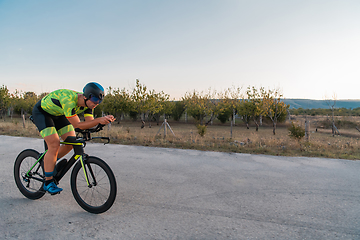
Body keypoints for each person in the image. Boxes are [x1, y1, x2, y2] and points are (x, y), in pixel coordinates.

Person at [32, 82, 115, 194]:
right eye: (95, 99)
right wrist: (99, 119)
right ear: (86, 96)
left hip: (59, 114)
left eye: (100, 101)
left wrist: (102, 122)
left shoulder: (89, 105)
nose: (97, 103)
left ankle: (49, 162)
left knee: (71, 142)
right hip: (43, 113)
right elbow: (78, 125)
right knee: (54, 144)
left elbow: (89, 123)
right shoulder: (69, 100)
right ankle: (48, 182)